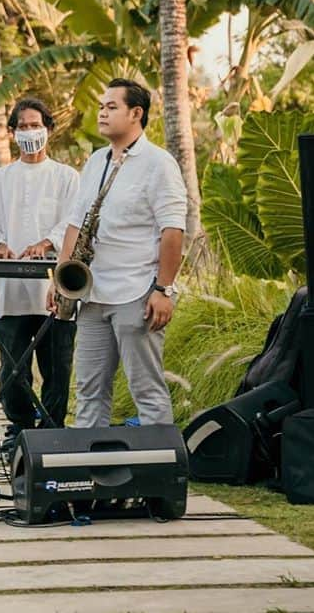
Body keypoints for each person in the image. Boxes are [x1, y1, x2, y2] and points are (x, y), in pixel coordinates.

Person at [50, 78, 187, 428]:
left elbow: (172, 230)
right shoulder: (96, 161)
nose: (102, 113)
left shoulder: (159, 163)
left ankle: (159, 476)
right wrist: (60, 277)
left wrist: (163, 290)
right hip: (93, 295)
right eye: (101, 106)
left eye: (112, 107)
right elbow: (75, 223)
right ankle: (89, 471)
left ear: (136, 113)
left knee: (147, 390)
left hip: (136, 293)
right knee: (89, 390)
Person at [0, 98, 79, 444]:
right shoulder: (0, 179)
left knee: (57, 367)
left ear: (48, 129)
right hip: (12, 292)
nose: (29, 132)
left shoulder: (67, 177)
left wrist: (46, 243)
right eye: (21, 126)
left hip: (55, 289)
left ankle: (52, 432)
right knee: (12, 370)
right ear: (11, 133)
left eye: (35, 125)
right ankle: (19, 427)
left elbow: (73, 222)